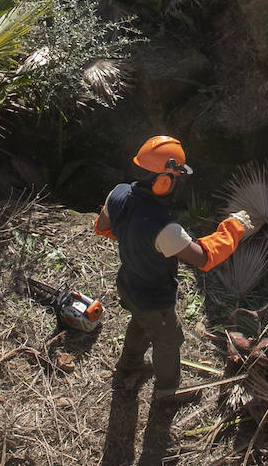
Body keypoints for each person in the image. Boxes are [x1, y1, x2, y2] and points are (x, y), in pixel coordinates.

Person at [94, 135, 256, 403]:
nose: (177, 183)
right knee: (169, 340)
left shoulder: (118, 193)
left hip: (128, 284)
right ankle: (168, 391)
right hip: (154, 298)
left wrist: (135, 238)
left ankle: (129, 365)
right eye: (175, 177)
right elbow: (204, 258)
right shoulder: (165, 229)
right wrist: (233, 227)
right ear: (163, 180)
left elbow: (103, 227)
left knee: (140, 321)